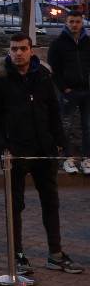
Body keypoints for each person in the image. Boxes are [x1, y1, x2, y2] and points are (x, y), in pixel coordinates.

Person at [0, 34, 83, 275]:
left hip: (43, 151)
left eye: (23, 49)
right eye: (14, 49)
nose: (18, 53)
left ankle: (55, 254)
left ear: (31, 51)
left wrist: (60, 143)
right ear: (9, 50)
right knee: (15, 205)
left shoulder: (43, 77)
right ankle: (18, 255)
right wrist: (1, 147)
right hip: (14, 153)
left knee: (51, 202)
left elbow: (54, 112)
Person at [47, 10, 90, 176]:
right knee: (66, 126)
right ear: (66, 22)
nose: (74, 25)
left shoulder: (88, 42)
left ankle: (87, 159)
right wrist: (64, 88)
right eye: (71, 21)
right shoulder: (58, 43)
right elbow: (53, 69)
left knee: (88, 127)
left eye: (77, 22)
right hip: (68, 92)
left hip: (87, 91)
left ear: (82, 22)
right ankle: (67, 158)